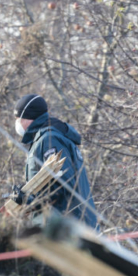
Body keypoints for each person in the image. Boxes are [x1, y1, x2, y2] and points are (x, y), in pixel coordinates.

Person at [10, 94, 98, 229]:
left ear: (29, 118)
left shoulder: (50, 140)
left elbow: (63, 185)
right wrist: (25, 192)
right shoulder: (43, 138)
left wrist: (28, 201)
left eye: (18, 119)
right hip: (61, 226)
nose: (17, 123)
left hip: (69, 227)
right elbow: (47, 181)